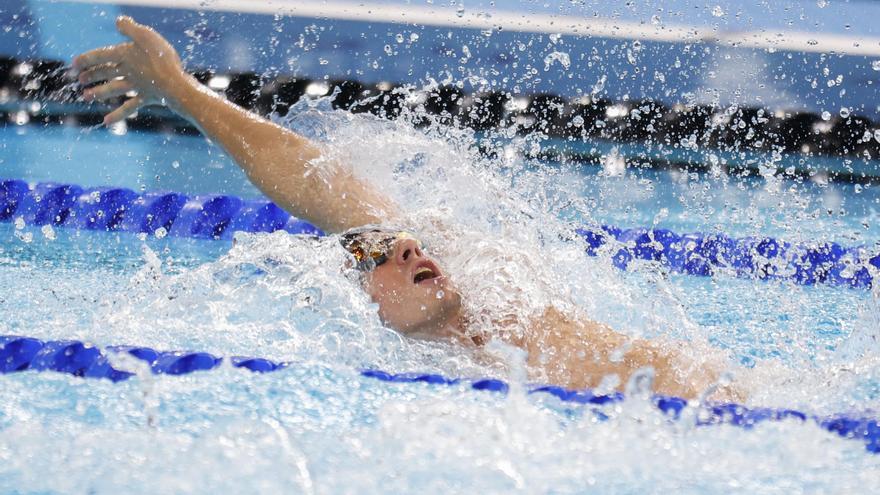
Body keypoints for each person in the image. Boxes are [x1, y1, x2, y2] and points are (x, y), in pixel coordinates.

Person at [72, 16, 741, 401]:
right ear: (368, 308)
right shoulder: (425, 376)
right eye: (384, 257)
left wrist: (186, 93)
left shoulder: (494, 296)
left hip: (731, 399)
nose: (411, 248)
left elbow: (315, 180)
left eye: (406, 244)